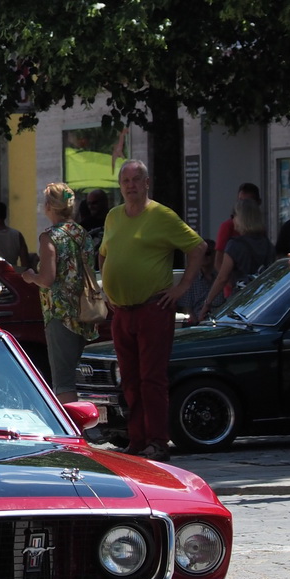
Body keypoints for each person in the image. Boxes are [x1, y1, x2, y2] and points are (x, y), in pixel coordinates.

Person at [100, 160, 206, 459]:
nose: (131, 185)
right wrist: (106, 289)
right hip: (122, 311)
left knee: (152, 379)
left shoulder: (161, 216)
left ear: (147, 183)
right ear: (120, 186)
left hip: (152, 308)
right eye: (125, 181)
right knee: (130, 380)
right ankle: (137, 440)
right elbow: (103, 253)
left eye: (136, 179)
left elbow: (198, 248)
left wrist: (182, 287)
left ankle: (157, 442)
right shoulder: (113, 216)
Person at [21, 182, 100, 401]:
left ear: (49, 206)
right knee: (83, 375)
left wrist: (30, 276)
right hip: (86, 311)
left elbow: (47, 279)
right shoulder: (81, 233)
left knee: (63, 380)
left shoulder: (50, 237)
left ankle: (72, 429)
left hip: (60, 313)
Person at [195, 198, 272, 321]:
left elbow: (222, 278)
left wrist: (207, 303)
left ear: (241, 218)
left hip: (241, 303)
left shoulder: (235, 245)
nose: (232, 220)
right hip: (263, 301)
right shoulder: (267, 243)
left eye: (233, 215)